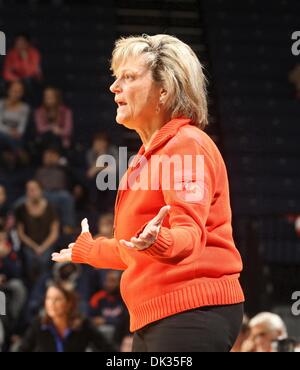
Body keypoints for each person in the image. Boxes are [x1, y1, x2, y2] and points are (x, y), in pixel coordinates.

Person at [52, 34, 245, 352]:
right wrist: (88, 250)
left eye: (128, 77)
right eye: (116, 78)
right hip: (158, 315)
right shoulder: (147, 157)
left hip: (190, 310)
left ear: (164, 90)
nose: (114, 87)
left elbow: (187, 235)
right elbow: (135, 248)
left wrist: (160, 240)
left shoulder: (186, 145)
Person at [19, 283, 115, 352]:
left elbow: (107, 348)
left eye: (57, 299)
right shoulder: (39, 324)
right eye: (48, 298)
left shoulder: (83, 324)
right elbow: (23, 349)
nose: (51, 303)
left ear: (68, 303)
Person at [15, 180, 59, 286]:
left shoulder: (51, 207)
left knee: (43, 260)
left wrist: (42, 247)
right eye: (29, 190)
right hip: (29, 245)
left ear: (41, 190)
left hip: (46, 244)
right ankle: (32, 288)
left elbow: (54, 233)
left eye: (34, 189)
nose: (32, 192)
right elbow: (20, 233)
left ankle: (42, 289)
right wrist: (35, 247)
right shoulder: (21, 209)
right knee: (30, 261)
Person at [0, 81, 30, 154]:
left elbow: (21, 128)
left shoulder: (25, 108)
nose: (16, 94)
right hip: (3, 134)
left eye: (19, 91)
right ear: (8, 91)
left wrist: (18, 133)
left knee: (15, 140)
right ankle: (18, 152)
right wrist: (9, 131)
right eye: (14, 90)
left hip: (16, 137)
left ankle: (17, 153)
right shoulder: (1, 104)